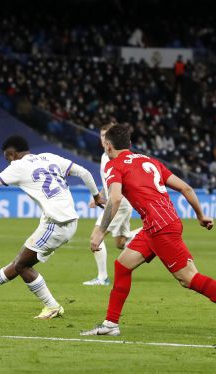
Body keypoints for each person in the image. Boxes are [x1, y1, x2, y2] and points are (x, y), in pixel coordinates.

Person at [0, 135, 102, 319]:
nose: (7, 161)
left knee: (22, 265)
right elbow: (85, 173)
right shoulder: (50, 157)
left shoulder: (18, 166)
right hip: (66, 220)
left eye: (7, 157)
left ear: (12, 154)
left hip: (57, 223)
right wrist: (96, 196)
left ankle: (52, 306)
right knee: (22, 261)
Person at [81, 123, 215, 336]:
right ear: (130, 144)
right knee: (123, 265)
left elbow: (114, 198)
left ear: (107, 145)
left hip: (161, 227)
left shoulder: (113, 165)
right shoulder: (149, 160)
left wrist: (99, 231)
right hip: (157, 224)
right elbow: (185, 187)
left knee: (188, 279)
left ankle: (110, 324)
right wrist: (200, 215)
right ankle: (110, 324)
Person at [84, 123, 141, 286]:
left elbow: (119, 181)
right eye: (101, 136)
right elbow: (110, 180)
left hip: (118, 202)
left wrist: (109, 197)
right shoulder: (104, 157)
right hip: (118, 201)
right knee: (120, 243)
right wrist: (99, 195)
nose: (103, 139)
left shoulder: (114, 156)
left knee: (96, 236)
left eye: (105, 136)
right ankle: (149, 236)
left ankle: (102, 278)